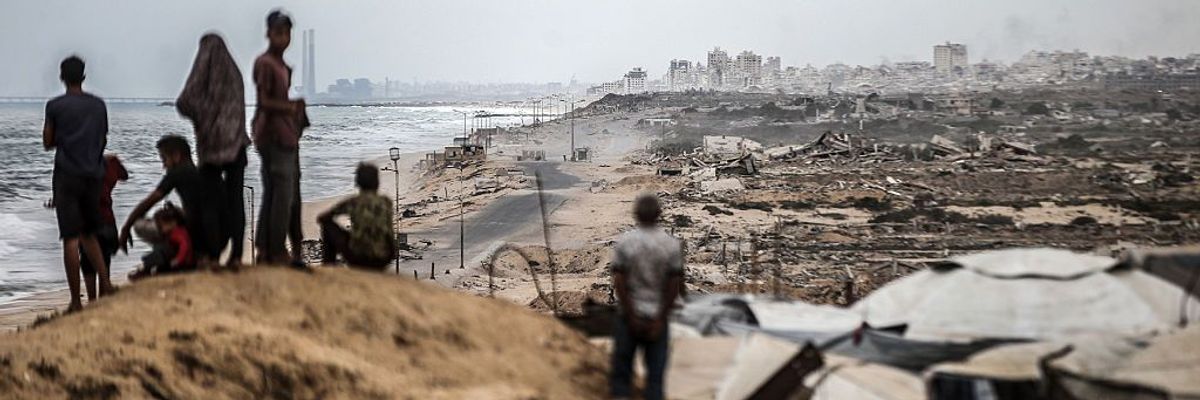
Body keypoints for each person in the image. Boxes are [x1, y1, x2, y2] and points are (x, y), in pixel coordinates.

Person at [43, 55, 114, 311]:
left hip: (67, 175)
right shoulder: (98, 105)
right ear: (83, 76)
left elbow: (48, 142)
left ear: (62, 77)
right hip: (93, 174)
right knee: (90, 233)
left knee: (71, 238)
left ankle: (75, 300)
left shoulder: (54, 106)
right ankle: (106, 284)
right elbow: (103, 138)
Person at [176, 32, 250, 269]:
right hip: (237, 144)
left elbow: (184, 101)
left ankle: (212, 256)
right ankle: (237, 256)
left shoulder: (203, 75)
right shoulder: (235, 75)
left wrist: (204, 120)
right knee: (235, 200)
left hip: (211, 146)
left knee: (209, 203)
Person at [609, 194, 684, 400]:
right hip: (658, 316)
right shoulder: (671, 245)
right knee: (655, 378)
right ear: (659, 215)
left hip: (628, 316)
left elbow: (620, 282)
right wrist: (661, 318)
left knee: (622, 376)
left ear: (636, 215)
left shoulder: (625, 243)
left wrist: (631, 315)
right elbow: (673, 286)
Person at [253, 9, 307, 266]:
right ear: (269, 34)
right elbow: (264, 101)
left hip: (284, 135)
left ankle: (266, 248)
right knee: (282, 195)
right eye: (278, 33)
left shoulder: (281, 65)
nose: (283, 38)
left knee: (275, 193)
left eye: (286, 34)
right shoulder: (265, 63)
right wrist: (291, 108)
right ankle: (274, 250)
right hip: (273, 136)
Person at [118, 136, 220, 267]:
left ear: (176, 156)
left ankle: (166, 257)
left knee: (139, 225)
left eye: (164, 159)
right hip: (214, 240)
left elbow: (149, 202)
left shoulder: (177, 173)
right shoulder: (198, 173)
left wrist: (126, 227)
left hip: (196, 235)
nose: (163, 165)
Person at [317, 163, 395, 269]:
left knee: (327, 225)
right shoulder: (386, 202)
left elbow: (323, 217)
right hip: (384, 258)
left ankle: (329, 265)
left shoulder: (353, 202)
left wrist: (350, 232)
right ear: (377, 182)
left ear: (357, 182)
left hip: (359, 258)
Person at [79, 154, 128, 299]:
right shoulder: (111, 163)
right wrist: (114, 160)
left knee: (87, 260)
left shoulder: (81, 165)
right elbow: (124, 175)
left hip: (87, 218)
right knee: (104, 258)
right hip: (107, 218)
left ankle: (92, 299)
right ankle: (103, 295)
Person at [128, 204, 193, 280]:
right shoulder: (178, 231)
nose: (160, 229)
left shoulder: (177, 233)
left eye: (161, 226)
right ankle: (151, 269)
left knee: (158, 253)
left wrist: (178, 260)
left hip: (182, 263)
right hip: (181, 261)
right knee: (159, 250)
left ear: (173, 222)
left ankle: (145, 270)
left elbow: (185, 246)